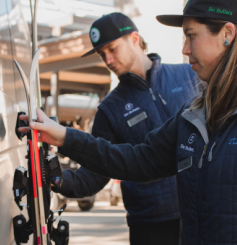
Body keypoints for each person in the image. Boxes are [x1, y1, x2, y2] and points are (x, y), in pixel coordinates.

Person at [20, 0, 237, 244]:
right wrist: (64, 137)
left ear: (227, 34)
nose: (185, 49)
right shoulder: (197, 112)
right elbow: (137, 160)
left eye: (191, 35)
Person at [54, 12, 198, 244]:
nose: (108, 60)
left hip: (202, 214)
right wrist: (59, 180)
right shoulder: (110, 108)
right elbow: (96, 170)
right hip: (150, 225)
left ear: (134, 39)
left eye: (112, 49)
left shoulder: (189, 76)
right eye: (102, 54)